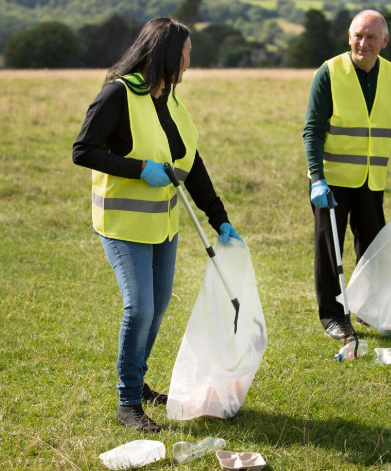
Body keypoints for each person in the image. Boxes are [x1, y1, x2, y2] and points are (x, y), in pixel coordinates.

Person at [72, 17, 242, 432]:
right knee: (140, 308)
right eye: (185, 54)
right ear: (166, 53)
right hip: (122, 223)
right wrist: (137, 169)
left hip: (163, 226)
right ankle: (128, 402)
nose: (189, 63)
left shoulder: (172, 100)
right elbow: (83, 150)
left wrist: (219, 219)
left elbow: (193, 164)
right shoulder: (117, 94)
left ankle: (138, 380)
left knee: (158, 307)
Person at [302, 10, 391, 340]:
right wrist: (317, 178)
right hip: (330, 181)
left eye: (371, 37)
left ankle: (370, 309)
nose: (363, 43)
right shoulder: (329, 73)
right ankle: (333, 317)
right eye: (358, 35)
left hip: (371, 180)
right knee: (330, 251)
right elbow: (313, 130)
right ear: (349, 36)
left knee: (374, 250)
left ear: (385, 41)